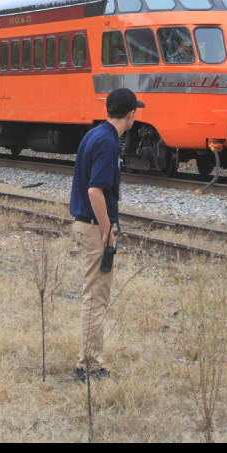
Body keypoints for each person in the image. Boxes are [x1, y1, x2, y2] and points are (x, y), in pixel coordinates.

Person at [69, 88, 142, 382]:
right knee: (96, 296)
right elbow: (95, 190)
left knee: (93, 294)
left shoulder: (94, 134)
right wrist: (107, 230)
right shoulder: (109, 143)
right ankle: (88, 366)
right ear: (130, 114)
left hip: (84, 222)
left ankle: (91, 361)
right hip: (93, 226)